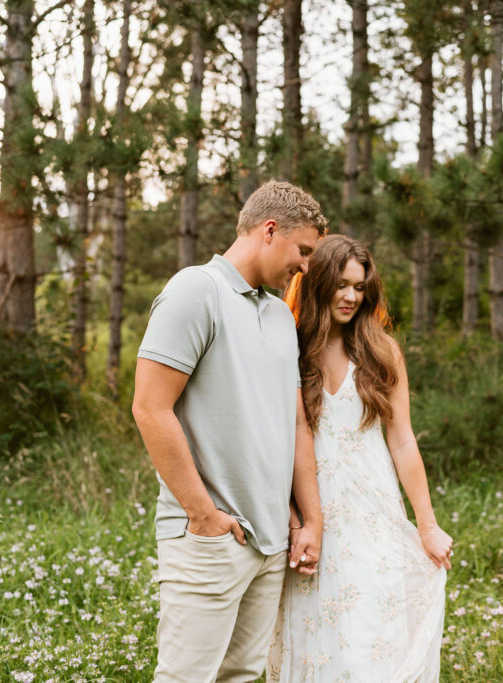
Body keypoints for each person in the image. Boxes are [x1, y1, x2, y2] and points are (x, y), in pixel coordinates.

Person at [131, 180, 328, 682]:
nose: (305, 266)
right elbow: (151, 409)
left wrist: (310, 519)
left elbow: (296, 424)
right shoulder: (197, 290)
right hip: (210, 538)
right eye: (303, 250)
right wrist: (203, 514)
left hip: (269, 541)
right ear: (268, 230)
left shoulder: (280, 315)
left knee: (240, 676)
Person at [267, 235, 452, 682]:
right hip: (314, 521)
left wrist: (427, 525)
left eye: (360, 286)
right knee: (317, 643)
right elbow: (274, 443)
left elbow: (403, 440)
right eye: (342, 284)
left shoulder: (382, 351)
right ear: (318, 282)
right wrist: (295, 519)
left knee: (370, 643)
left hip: (375, 518)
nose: (352, 296)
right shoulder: (287, 347)